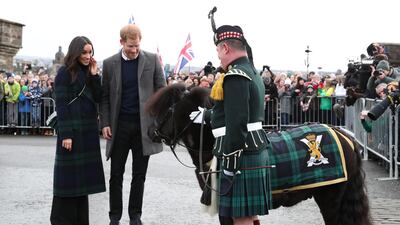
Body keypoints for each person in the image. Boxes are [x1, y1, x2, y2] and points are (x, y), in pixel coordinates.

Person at [191, 25, 271, 225]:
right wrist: (208, 115)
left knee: (241, 218)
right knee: (250, 215)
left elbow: (237, 123)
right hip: (252, 148)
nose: (218, 56)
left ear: (225, 48)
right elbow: (235, 112)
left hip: (240, 153)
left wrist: (230, 164)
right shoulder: (250, 70)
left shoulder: (235, 75)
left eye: (218, 50)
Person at [99, 24, 166, 225]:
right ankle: (114, 217)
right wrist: (105, 123)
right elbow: (104, 98)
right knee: (115, 175)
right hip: (119, 127)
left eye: (137, 46)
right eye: (130, 46)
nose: (134, 50)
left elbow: (162, 91)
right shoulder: (109, 63)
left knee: (139, 175)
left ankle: (135, 216)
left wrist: (157, 122)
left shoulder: (152, 60)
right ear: (121, 42)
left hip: (143, 129)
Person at [50, 36, 106, 225]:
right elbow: (62, 105)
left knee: (81, 186)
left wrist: (95, 74)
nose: (88, 56)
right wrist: (65, 134)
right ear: (75, 52)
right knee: (67, 183)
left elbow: (99, 97)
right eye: (84, 52)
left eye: (90, 52)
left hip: (87, 131)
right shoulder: (65, 73)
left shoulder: (89, 72)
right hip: (71, 132)